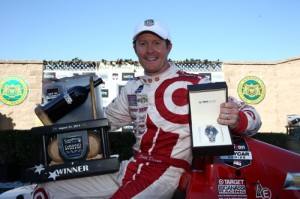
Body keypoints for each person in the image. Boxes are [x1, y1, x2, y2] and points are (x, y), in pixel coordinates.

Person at [33, 19, 261, 199]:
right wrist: (63, 121)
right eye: (143, 43)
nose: (150, 50)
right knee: (47, 188)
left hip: (165, 173)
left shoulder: (196, 82)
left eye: (156, 43)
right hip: (128, 167)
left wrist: (236, 118)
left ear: (168, 47)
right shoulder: (133, 86)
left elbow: (253, 117)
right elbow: (106, 122)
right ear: (135, 49)